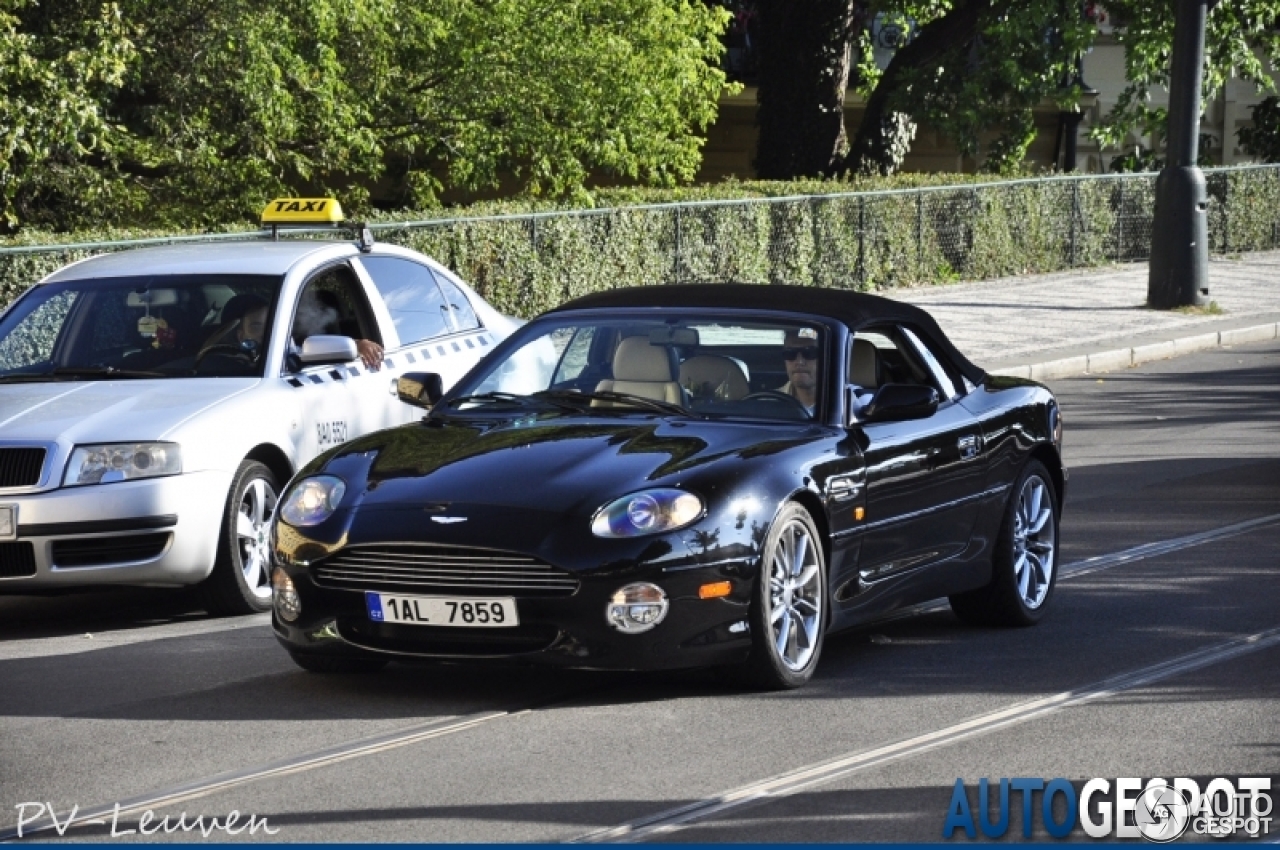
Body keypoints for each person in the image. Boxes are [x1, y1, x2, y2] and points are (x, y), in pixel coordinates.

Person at [293, 287, 383, 370]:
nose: (303, 316)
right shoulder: (292, 342)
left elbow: (342, 345)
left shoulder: (348, 335)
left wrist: (360, 345)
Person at [777, 329, 821, 415]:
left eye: (810, 352)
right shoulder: (769, 404)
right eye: (790, 353)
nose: (799, 362)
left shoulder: (847, 403)